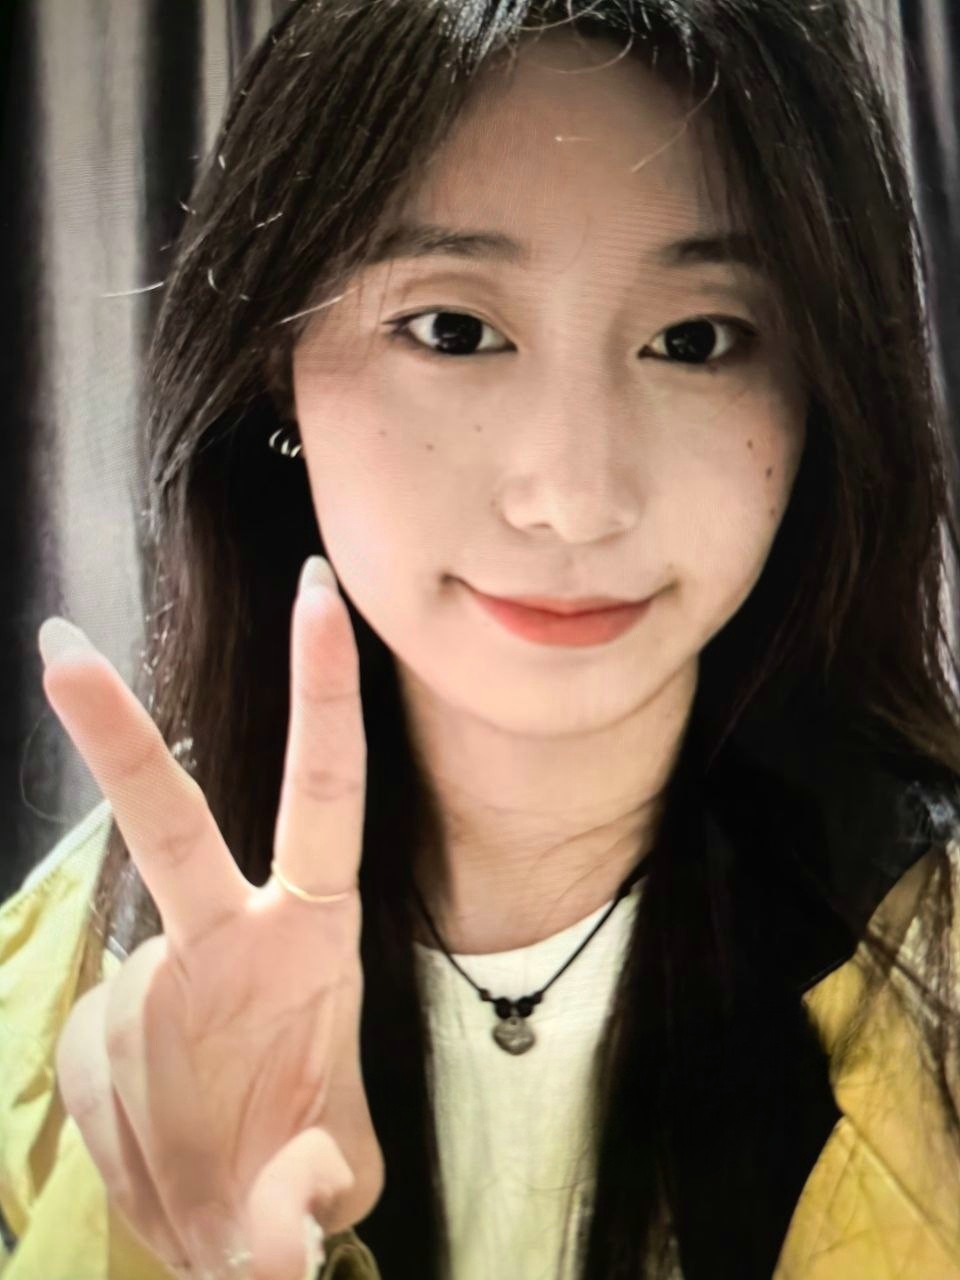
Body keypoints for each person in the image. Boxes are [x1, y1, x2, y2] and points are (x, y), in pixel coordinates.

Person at [2, 0, 960, 1277]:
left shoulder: (937, 970)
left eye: (694, 340)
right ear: (277, 365)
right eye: (453, 329)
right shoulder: (59, 989)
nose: (574, 497)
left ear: (820, 397)